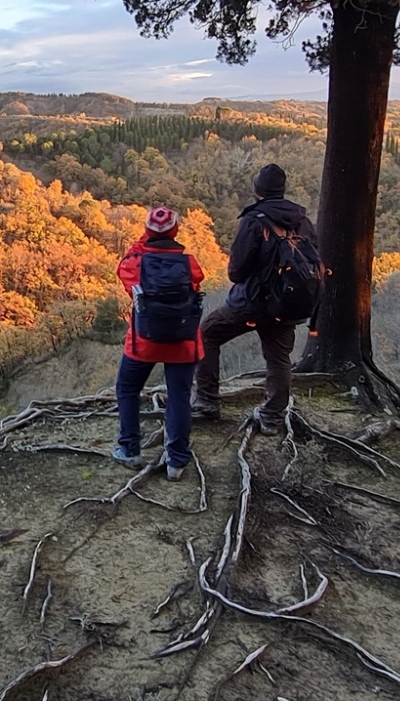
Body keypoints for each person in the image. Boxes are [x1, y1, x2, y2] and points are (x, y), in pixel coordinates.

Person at [192, 163, 320, 432]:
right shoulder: (302, 220)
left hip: (251, 303)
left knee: (207, 334)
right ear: (282, 190)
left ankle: (206, 401)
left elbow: (236, 272)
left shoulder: (254, 220)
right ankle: (272, 417)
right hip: (288, 304)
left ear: (257, 190)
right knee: (278, 358)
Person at [114, 205, 205, 480]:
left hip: (145, 339)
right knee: (179, 395)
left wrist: (145, 241)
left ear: (147, 230)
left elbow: (123, 270)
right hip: (183, 339)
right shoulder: (190, 264)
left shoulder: (135, 263)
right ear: (175, 231)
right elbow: (198, 281)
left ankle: (129, 449)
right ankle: (176, 461)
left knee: (127, 388)